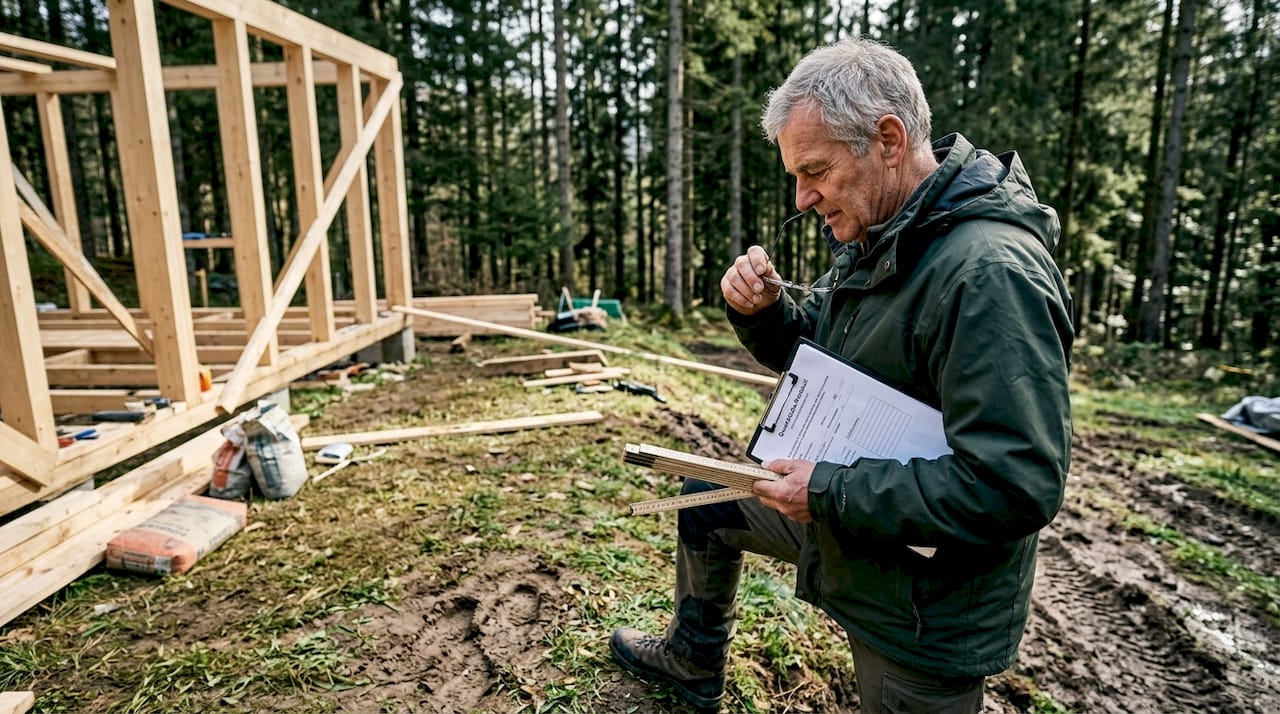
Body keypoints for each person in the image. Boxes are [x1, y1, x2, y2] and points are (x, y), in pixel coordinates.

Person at [610, 36, 1073, 713]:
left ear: (888, 139)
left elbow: (1013, 486)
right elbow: (824, 342)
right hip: (856, 520)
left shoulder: (990, 273)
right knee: (706, 500)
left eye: (815, 170)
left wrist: (827, 490)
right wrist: (768, 312)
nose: (802, 199)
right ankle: (692, 660)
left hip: (924, 599)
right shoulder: (887, 230)